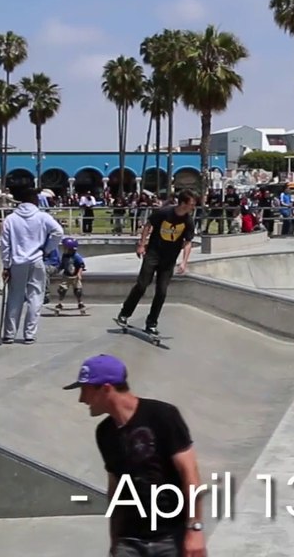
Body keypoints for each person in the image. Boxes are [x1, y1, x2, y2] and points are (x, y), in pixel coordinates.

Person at [64, 354, 207, 557]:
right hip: (129, 542)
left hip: (171, 538)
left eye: (85, 391)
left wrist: (195, 528)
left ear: (106, 389)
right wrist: (114, 540)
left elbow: (190, 473)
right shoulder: (105, 433)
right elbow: (116, 488)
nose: (81, 399)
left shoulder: (162, 416)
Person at [115, 190, 197, 336]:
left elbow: (188, 242)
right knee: (142, 285)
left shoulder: (188, 221)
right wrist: (141, 245)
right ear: (183, 203)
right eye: (191, 204)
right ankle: (125, 313)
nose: (193, 207)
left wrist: (184, 262)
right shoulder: (164, 213)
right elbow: (148, 226)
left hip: (169, 259)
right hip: (153, 253)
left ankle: (151, 323)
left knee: (162, 292)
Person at [0, 187, 65, 344]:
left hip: (17, 262)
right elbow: (58, 232)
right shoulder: (42, 217)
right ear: (34, 200)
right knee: (35, 296)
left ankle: (9, 333)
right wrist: (47, 249)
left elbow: (5, 245)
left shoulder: (10, 219)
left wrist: (6, 265)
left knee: (15, 297)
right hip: (36, 260)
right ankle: (29, 334)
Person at [48, 237, 87, 311]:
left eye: (65, 248)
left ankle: (80, 303)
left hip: (75, 277)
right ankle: (60, 303)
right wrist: (57, 270)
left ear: (71, 249)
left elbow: (81, 266)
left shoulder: (76, 256)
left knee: (78, 290)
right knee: (62, 290)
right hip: (66, 276)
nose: (63, 249)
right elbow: (62, 265)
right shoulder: (64, 256)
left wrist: (79, 274)